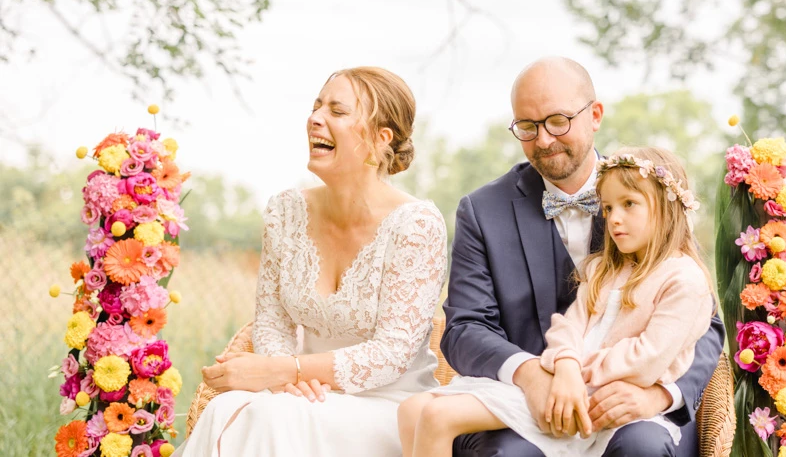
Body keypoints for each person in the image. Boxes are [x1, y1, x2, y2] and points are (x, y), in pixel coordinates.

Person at [437, 57, 725, 457]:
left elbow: (704, 325)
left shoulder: (647, 192)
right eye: (527, 126)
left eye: (558, 121)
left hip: (637, 406)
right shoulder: (483, 211)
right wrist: (531, 374)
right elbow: (464, 329)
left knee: (643, 447)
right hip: (522, 410)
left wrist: (659, 396)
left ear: (595, 115)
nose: (543, 140)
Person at [176, 67, 448, 456]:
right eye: (317, 106)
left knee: (273, 418)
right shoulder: (285, 211)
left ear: (379, 138)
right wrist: (287, 379)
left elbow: (391, 354)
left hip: (391, 406)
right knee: (226, 408)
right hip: (302, 395)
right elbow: (272, 326)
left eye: (337, 111)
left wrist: (288, 371)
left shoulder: (417, 225)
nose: (315, 118)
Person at [399, 147, 716, 457]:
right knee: (411, 409)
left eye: (628, 204)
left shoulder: (683, 278)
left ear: (666, 206)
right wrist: (564, 364)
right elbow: (568, 325)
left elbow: (648, 356)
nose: (614, 220)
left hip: (598, 390)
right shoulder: (603, 269)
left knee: (437, 417)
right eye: (607, 209)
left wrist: (579, 373)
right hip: (562, 379)